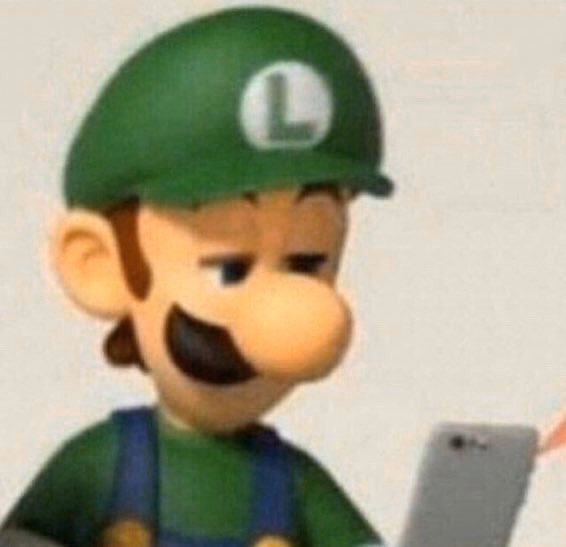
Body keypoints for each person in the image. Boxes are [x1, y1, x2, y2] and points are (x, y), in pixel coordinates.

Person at [1, 7, 394, 547]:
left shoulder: (294, 485)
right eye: (229, 268)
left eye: (306, 264)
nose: (294, 320)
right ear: (101, 266)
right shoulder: (99, 466)